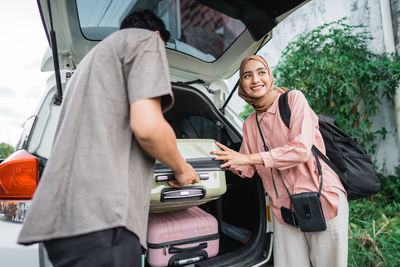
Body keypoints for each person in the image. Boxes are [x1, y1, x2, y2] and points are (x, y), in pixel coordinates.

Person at [17, 9, 199, 267]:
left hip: (66, 224)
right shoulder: (146, 41)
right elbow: (148, 127)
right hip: (103, 220)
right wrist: (182, 168)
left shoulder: (90, 65)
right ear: (159, 36)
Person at [211, 55, 349, 267]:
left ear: (270, 76)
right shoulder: (250, 123)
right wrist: (220, 158)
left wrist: (247, 157)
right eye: (247, 76)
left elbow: (300, 150)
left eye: (261, 72)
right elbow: (247, 168)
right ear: (242, 84)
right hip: (284, 209)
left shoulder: (293, 99)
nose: (255, 79)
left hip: (321, 197)